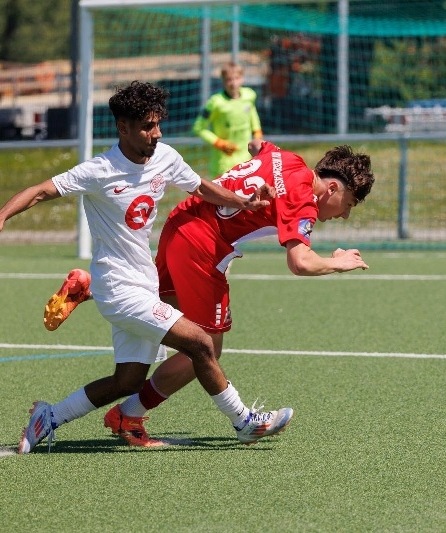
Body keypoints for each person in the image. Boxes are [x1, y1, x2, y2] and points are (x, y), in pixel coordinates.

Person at [0, 81, 292, 454]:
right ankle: (244, 422)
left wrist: (243, 202)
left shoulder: (165, 157)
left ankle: (50, 416)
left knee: (128, 381)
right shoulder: (99, 169)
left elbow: (201, 187)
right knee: (202, 343)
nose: (156, 134)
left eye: (158, 125)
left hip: (144, 282)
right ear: (123, 128)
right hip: (118, 288)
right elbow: (40, 191)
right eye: (147, 127)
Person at [47, 137, 375, 447]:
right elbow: (300, 262)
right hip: (203, 247)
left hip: (181, 222)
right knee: (207, 348)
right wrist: (338, 263)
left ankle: (92, 288)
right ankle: (129, 414)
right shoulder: (303, 199)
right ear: (332, 188)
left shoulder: (287, 158)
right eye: (348, 204)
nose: (344, 214)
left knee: (163, 311)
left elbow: (257, 145)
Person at [193, 61, 263, 178]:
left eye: (236, 78)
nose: (233, 83)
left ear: (242, 79)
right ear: (223, 81)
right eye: (229, 79)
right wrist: (219, 143)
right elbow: (198, 128)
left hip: (246, 159)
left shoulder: (249, 96)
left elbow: (252, 112)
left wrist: (257, 132)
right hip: (223, 163)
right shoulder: (215, 103)